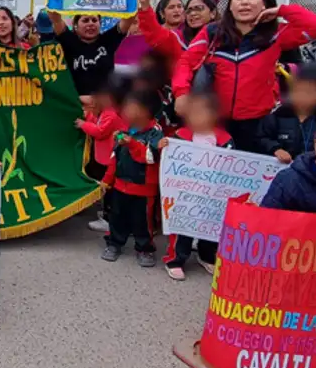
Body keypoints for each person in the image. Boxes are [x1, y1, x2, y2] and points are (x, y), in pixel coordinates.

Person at [172, 0, 316, 152]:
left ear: (264, 4)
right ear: (230, 6)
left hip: (259, 125)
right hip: (216, 123)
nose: (244, 2)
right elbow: (186, 62)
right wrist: (181, 93)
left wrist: (280, 11)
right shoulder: (212, 33)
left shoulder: (276, 34)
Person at [159, 92, 233, 280]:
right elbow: (168, 161)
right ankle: (175, 259)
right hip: (185, 193)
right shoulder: (180, 135)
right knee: (183, 226)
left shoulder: (225, 139)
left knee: (209, 227)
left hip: (213, 194)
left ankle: (206, 255)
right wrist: (162, 146)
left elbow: (234, 166)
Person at [100, 89, 163, 266]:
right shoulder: (124, 129)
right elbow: (115, 157)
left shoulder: (155, 133)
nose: (126, 110)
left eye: (131, 106)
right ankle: (114, 244)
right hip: (120, 186)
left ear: (146, 110)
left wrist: (132, 144)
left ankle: (145, 249)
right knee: (117, 217)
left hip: (144, 189)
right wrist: (107, 179)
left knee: (143, 221)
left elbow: (150, 157)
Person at [78, 74, 128, 233]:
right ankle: (107, 213)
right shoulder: (104, 112)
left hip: (112, 158)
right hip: (105, 157)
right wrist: (87, 116)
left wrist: (82, 124)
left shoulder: (111, 115)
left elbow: (100, 131)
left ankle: (108, 219)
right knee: (106, 187)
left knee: (110, 189)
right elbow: (94, 120)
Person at [256, 64, 316, 163]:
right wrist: (275, 149)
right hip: (282, 169)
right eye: (298, 91)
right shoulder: (278, 116)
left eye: (309, 92)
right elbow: (261, 138)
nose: (302, 96)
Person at [47, 6, 131, 96]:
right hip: (76, 104)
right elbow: (56, 20)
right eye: (85, 20)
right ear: (75, 25)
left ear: (100, 24)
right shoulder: (68, 40)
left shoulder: (108, 40)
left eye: (94, 20)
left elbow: (127, 21)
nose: (91, 24)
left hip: (105, 104)